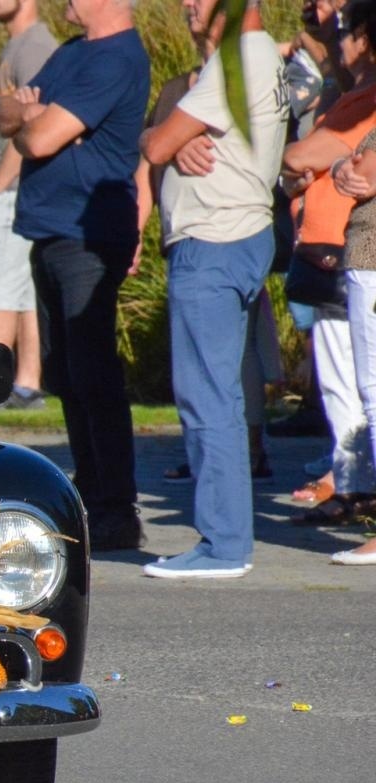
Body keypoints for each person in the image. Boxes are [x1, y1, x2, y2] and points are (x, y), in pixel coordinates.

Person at [138, 0, 288, 579]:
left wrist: (167, 136)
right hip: (240, 235)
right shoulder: (258, 57)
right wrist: (175, 137)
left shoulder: (235, 60)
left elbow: (153, 146)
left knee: (206, 396)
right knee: (219, 393)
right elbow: (168, 139)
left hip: (214, 241)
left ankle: (223, 544)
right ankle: (226, 540)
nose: (188, 4)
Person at [0, 0, 150, 552]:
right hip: (49, 232)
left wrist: (37, 118)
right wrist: (34, 114)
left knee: (93, 372)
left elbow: (34, 140)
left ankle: (116, 506)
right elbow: (5, 116)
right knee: (67, 372)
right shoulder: (70, 53)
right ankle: (90, 493)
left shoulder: (116, 59)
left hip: (88, 235)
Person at [280, 0, 376, 525]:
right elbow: (295, 167)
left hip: (349, 251)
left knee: (356, 379)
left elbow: (299, 156)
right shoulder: (346, 97)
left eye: (345, 33)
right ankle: (351, 480)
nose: (338, 44)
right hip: (328, 249)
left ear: (364, 37)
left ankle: (357, 483)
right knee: (340, 377)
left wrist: (314, 163)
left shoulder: (365, 101)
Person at [0, 0, 57, 408]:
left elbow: (34, 123)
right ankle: (27, 384)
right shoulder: (21, 45)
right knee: (21, 292)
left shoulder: (34, 47)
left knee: (2, 291)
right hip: (13, 189)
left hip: (11, 191)